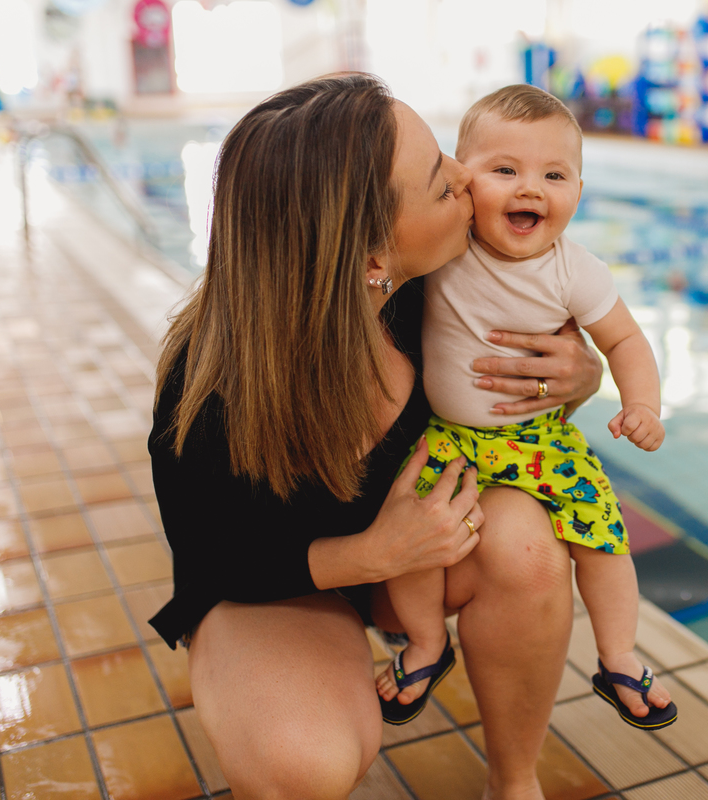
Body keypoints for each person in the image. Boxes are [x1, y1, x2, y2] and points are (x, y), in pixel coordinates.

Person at [146, 74, 604, 800]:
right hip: (280, 584)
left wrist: (579, 377)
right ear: (370, 259)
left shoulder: (448, 285)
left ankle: (515, 783)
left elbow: (542, 393)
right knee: (307, 763)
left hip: (417, 563)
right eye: (439, 182)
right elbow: (213, 559)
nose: (465, 175)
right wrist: (369, 553)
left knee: (528, 546)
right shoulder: (212, 394)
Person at [375, 85, 677, 731]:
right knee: (414, 537)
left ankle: (618, 653)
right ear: (462, 183)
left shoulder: (577, 272)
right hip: (449, 439)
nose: (530, 189)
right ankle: (427, 644)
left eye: (554, 175)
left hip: (539, 438)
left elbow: (624, 339)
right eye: (504, 170)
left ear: (578, 190)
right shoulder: (447, 251)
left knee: (601, 533)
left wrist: (641, 403)